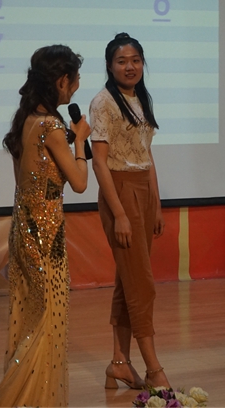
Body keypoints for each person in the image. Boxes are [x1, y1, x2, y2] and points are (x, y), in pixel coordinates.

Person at [0, 45, 90, 407]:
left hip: (23, 230)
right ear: (62, 81)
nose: (77, 85)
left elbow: (26, 182)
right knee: (48, 319)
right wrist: (81, 142)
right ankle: (27, 398)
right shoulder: (52, 127)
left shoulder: (26, 119)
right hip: (47, 236)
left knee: (32, 316)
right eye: (75, 79)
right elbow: (80, 183)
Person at [90, 33, 169, 388]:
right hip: (120, 191)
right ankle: (154, 369)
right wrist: (120, 213)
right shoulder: (103, 102)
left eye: (135, 60)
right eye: (122, 61)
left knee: (129, 281)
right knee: (142, 285)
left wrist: (157, 203)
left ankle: (119, 363)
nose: (130, 66)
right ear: (110, 66)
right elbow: (99, 163)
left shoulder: (140, 97)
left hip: (143, 191)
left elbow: (146, 152)